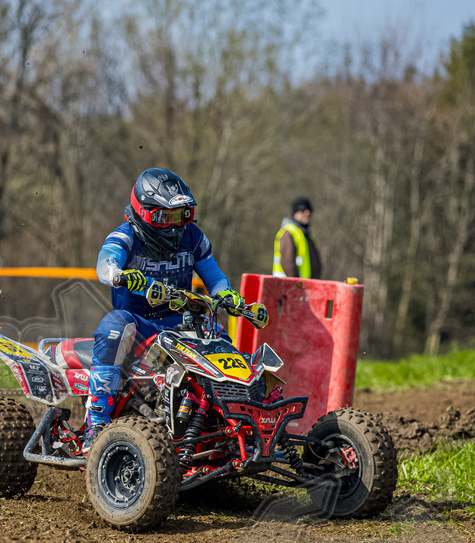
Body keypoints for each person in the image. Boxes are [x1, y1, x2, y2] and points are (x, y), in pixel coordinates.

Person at [84, 168, 242, 450]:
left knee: (216, 327)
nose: (175, 226)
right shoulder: (126, 237)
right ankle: (96, 423)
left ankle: (231, 417)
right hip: (139, 326)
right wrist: (120, 275)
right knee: (114, 325)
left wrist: (227, 296)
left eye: (182, 215)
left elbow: (215, 279)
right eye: (165, 217)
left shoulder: (193, 237)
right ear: (145, 214)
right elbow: (104, 264)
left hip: (178, 324)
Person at [272, 196, 322, 279]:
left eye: (309, 210)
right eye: (303, 210)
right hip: (289, 287)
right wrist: (297, 285)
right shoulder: (289, 232)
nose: (307, 213)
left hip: (304, 287)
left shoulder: (305, 235)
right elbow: (287, 263)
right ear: (295, 212)